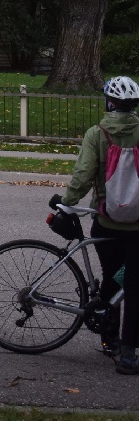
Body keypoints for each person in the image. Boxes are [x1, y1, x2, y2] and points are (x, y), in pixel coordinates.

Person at [56, 75, 139, 374]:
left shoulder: (97, 134)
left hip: (105, 222)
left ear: (109, 102)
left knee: (112, 278)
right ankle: (128, 354)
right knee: (132, 286)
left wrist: (67, 201)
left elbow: (82, 175)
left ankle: (109, 340)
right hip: (137, 228)